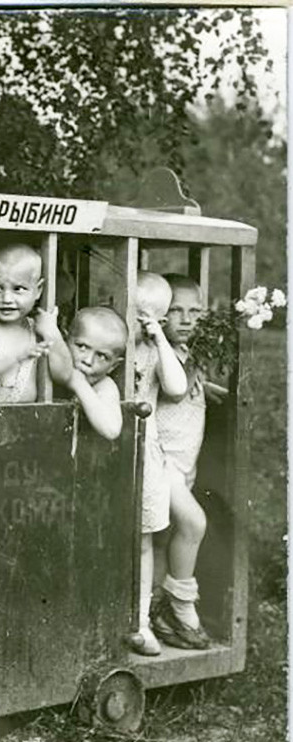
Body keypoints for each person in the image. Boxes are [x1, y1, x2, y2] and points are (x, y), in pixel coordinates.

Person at [151, 274, 224, 650]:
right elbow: (174, 391)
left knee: (166, 535)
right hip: (161, 461)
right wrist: (198, 365)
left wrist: (214, 389)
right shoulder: (161, 353)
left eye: (194, 311)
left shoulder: (189, 354)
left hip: (184, 463)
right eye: (175, 310)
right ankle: (182, 604)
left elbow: (193, 389)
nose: (185, 318)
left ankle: (156, 608)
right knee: (193, 523)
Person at [127, 271, 187, 656]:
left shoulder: (154, 350)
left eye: (148, 316)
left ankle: (141, 621)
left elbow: (177, 389)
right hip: (107, 447)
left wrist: (159, 338)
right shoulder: (108, 341)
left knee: (143, 539)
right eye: (133, 312)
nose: (138, 322)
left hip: (142, 453)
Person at [0, 242, 66, 404]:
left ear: (38, 290)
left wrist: (52, 332)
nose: (7, 299)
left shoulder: (36, 327)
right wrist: (16, 358)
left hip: (30, 419)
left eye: (18, 289)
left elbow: (63, 375)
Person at [48, 306, 127, 440]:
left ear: (113, 366)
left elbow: (111, 430)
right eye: (82, 347)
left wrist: (78, 383)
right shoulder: (47, 366)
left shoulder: (103, 385)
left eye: (102, 356)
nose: (88, 361)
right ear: (65, 340)